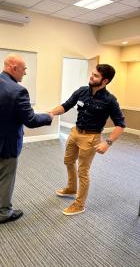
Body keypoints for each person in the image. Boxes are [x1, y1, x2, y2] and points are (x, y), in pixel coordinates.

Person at [0, 54, 53, 223]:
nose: (25, 73)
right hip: (4, 145)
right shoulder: (18, 91)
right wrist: (48, 116)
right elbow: (31, 120)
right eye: (24, 69)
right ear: (13, 68)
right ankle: (4, 212)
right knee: (5, 177)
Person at [50, 64, 125, 216]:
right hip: (75, 132)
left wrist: (107, 143)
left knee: (83, 171)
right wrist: (51, 113)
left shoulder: (110, 100)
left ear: (105, 81)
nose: (91, 76)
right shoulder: (82, 91)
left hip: (91, 138)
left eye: (96, 76)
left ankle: (79, 205)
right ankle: (71, 188)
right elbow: (66, 105)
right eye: (92, 74)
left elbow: (120, 125)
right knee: (68, 161)